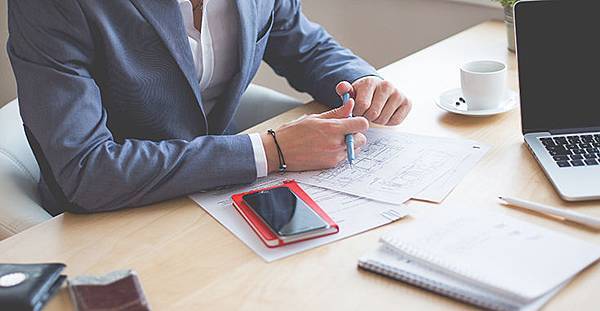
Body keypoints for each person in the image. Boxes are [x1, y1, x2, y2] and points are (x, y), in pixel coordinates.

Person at [7, 0, 411, 215]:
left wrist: (361, 81)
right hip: (115, 216)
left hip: (225, 193)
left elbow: (301, 42)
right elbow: (86, 172)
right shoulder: (51, 4)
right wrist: (271, 150)